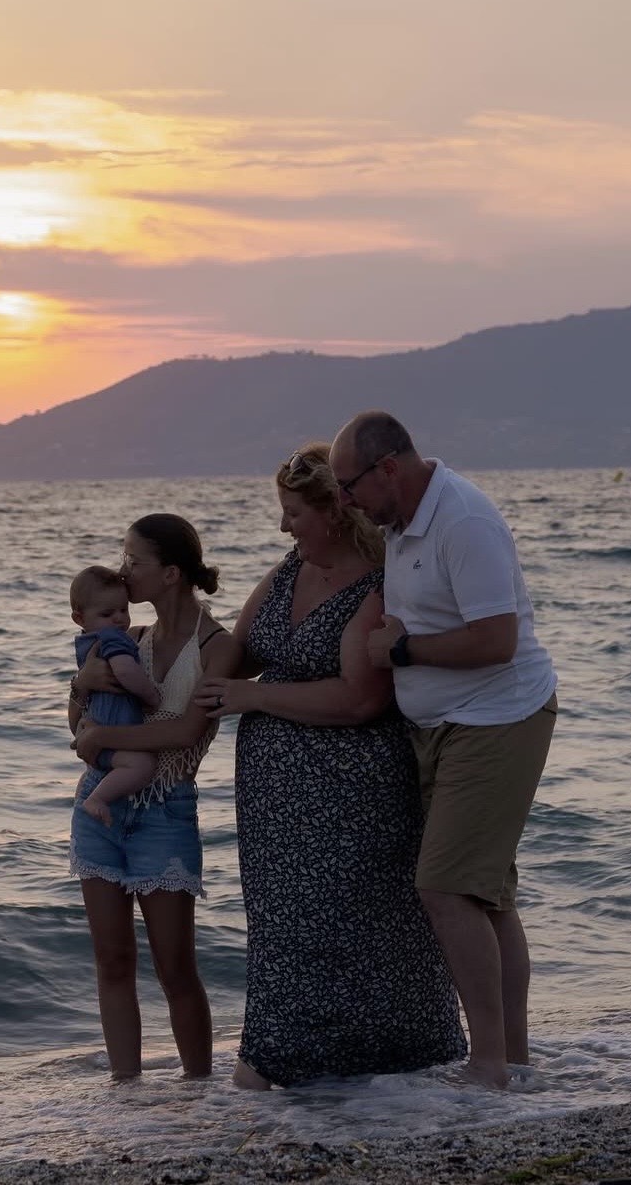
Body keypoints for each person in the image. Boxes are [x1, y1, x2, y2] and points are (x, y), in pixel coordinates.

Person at [195, 443, 466, 1089]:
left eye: (292, 512)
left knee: (361, 925)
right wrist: (170, 637)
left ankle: (401, 1062)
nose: (283, 526)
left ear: (334, 514)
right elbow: (239, 647)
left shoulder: (378, 585)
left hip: (353, 793)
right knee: (286, 933)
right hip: (277, 809)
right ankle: (283, 1057)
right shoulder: (293, 565)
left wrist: (253, 695)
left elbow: (358, 697)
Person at [328, 411, 558, 1091]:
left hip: (496, 716)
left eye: (349, 486)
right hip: (446, 725)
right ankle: (511, 1059)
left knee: (445, 887)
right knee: (488, 897)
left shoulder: (463, 520)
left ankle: (485, 1064)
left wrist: (402, 649)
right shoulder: (399, 526)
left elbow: (495, 640)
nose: (346, 501)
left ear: (387, 468)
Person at [70, 514, 238, 1080]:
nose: (123, 572)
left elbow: (184, 732)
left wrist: (101, 738)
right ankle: (126, 1095)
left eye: (133, 560)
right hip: (99, 803)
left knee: (176, 968)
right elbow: (79, 729)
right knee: (112, 961)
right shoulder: (125, 639)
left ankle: (198, 1092)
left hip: (166, 810)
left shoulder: (217, 647)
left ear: (169, 573)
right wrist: (80, 688)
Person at [69, 565, 164, 825]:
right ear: (79, 618)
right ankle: (97, 799)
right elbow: (125, 671)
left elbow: (75, 715)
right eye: (107, 613)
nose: (119, 619)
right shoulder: (114, 638)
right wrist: (151, 696)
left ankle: (98, 796)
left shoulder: (86, 643)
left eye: (124, 610)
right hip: (114, 733)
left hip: (94, 733)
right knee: (142, 766)